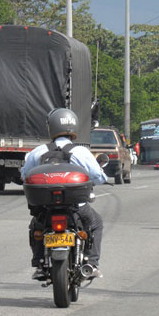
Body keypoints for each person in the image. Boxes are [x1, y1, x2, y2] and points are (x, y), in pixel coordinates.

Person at [20, 107, 108, 281]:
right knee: (96, 224)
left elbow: (24, 176)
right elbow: (98, 177)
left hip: (45, 209)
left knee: (36, 227)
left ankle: (39, 264)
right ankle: (91, 263)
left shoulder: (38, 152)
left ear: (50, 127)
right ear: (73, 127)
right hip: (77, 209)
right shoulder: (81, 152)